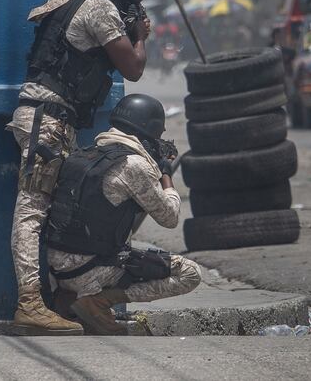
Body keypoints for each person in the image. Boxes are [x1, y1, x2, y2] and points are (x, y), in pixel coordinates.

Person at [6, 0, 154, 335]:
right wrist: (140, 36)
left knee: (54, 208)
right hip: (47, 119)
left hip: (51, 117)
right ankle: (30, 304)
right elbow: (134, 69)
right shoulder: (100, 8)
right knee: (33, 210)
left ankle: (59, 300)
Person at [45, 94, 201, 335]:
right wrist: (166, 175)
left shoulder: (84, 154)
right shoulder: (134, 165)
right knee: (190, 273)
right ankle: (98, 302)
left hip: (57, 269)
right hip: (90, 270)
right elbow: (169, 218)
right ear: (149, 130)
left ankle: (69, 300)